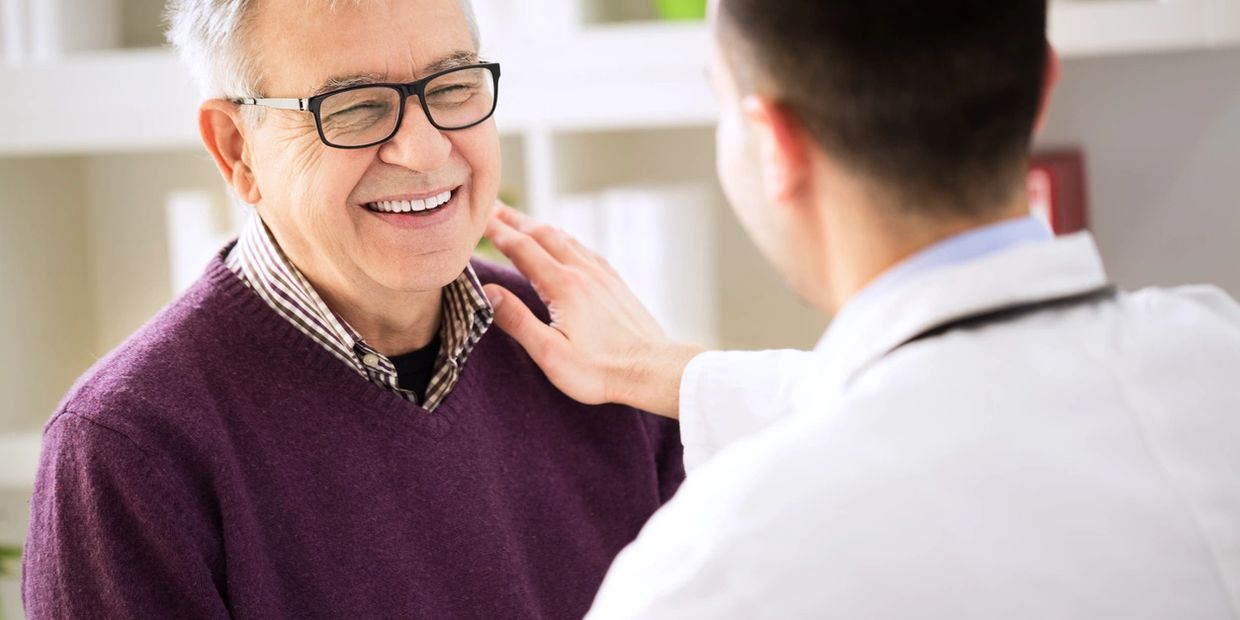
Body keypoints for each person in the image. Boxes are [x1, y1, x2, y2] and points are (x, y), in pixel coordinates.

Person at [482, 0, 1240, 617]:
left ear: (773, 142)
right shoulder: (1213, 352)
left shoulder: (714, 573)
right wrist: (678, 374)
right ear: (1043, 87)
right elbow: (970, 404)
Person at [21, 1, 683, 617]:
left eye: (453, 88)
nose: (424, 151)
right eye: (355, 106)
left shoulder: (594, 350)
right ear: (236, 148)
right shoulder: (125, 449)